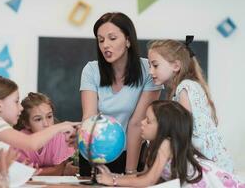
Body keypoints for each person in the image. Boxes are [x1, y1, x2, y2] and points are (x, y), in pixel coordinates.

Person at [80, 12, 162, 175]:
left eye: (112, 38)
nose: (105, 45)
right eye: (101, 40)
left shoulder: (148, 70)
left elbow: (137, 123)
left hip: (132, 152)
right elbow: (89, 118)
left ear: (128, 41)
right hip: (96, 153)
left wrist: (130, 172)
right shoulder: (91, 70)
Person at [96, 100, 245, 187]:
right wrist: (116, 177)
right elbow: (146, 176)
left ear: (164, 127)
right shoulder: (155, 146)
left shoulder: (165, 144)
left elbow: (149, 180)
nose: (142, 123)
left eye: (148, 121)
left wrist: (113, 181)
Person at [147, 36, 234, 172]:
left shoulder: (185, 88)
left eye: (155, 65)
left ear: (176, 66)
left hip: (209, 162)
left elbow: (183, 129)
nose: (150, 71)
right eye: (149, 66)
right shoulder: (182, 88)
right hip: (205, 158)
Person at [14, 92, 78, 176]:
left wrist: (32, 172)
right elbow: (21, 173)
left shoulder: (60, 138)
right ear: (27, 124)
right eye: (38, 119)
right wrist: (56, 171)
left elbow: (57, 171)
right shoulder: (21, 140)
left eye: (49, 117)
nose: (46, 124)